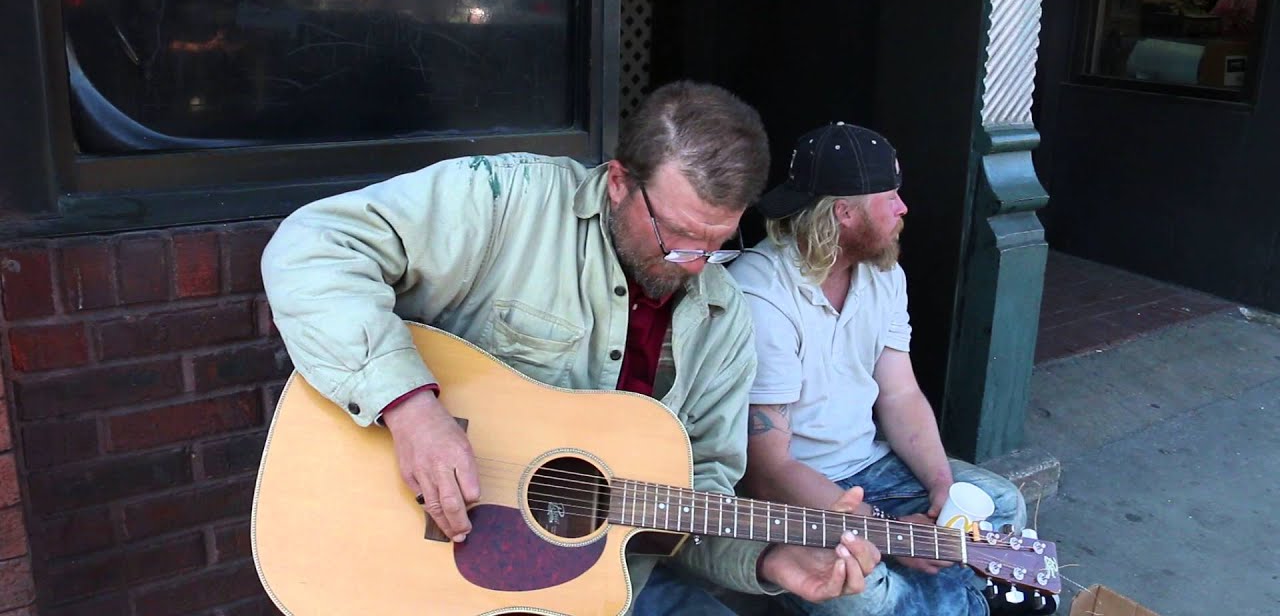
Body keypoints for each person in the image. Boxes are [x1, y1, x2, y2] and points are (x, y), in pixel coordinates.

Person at [260, 82, 881, 615]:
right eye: (678, 236)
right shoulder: (509, 204)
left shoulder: (722, 318)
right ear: (618, 182)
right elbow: (315, 246)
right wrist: (412, 410)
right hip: (427, 561)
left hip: (595, 586)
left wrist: (773, 561)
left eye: (713, 244)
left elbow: (701, 496)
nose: (692, 265)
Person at [728, 122, 1045, 616]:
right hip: (799, 494)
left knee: (1000, 505)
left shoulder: (883, 272)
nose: (903, 208)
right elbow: (770, 471)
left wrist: (943, 485)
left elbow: (899, 395)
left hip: (872, 467)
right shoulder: (761, 295)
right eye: (890, 197)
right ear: (844, 213)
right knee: (866, 597)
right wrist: (891, 533)